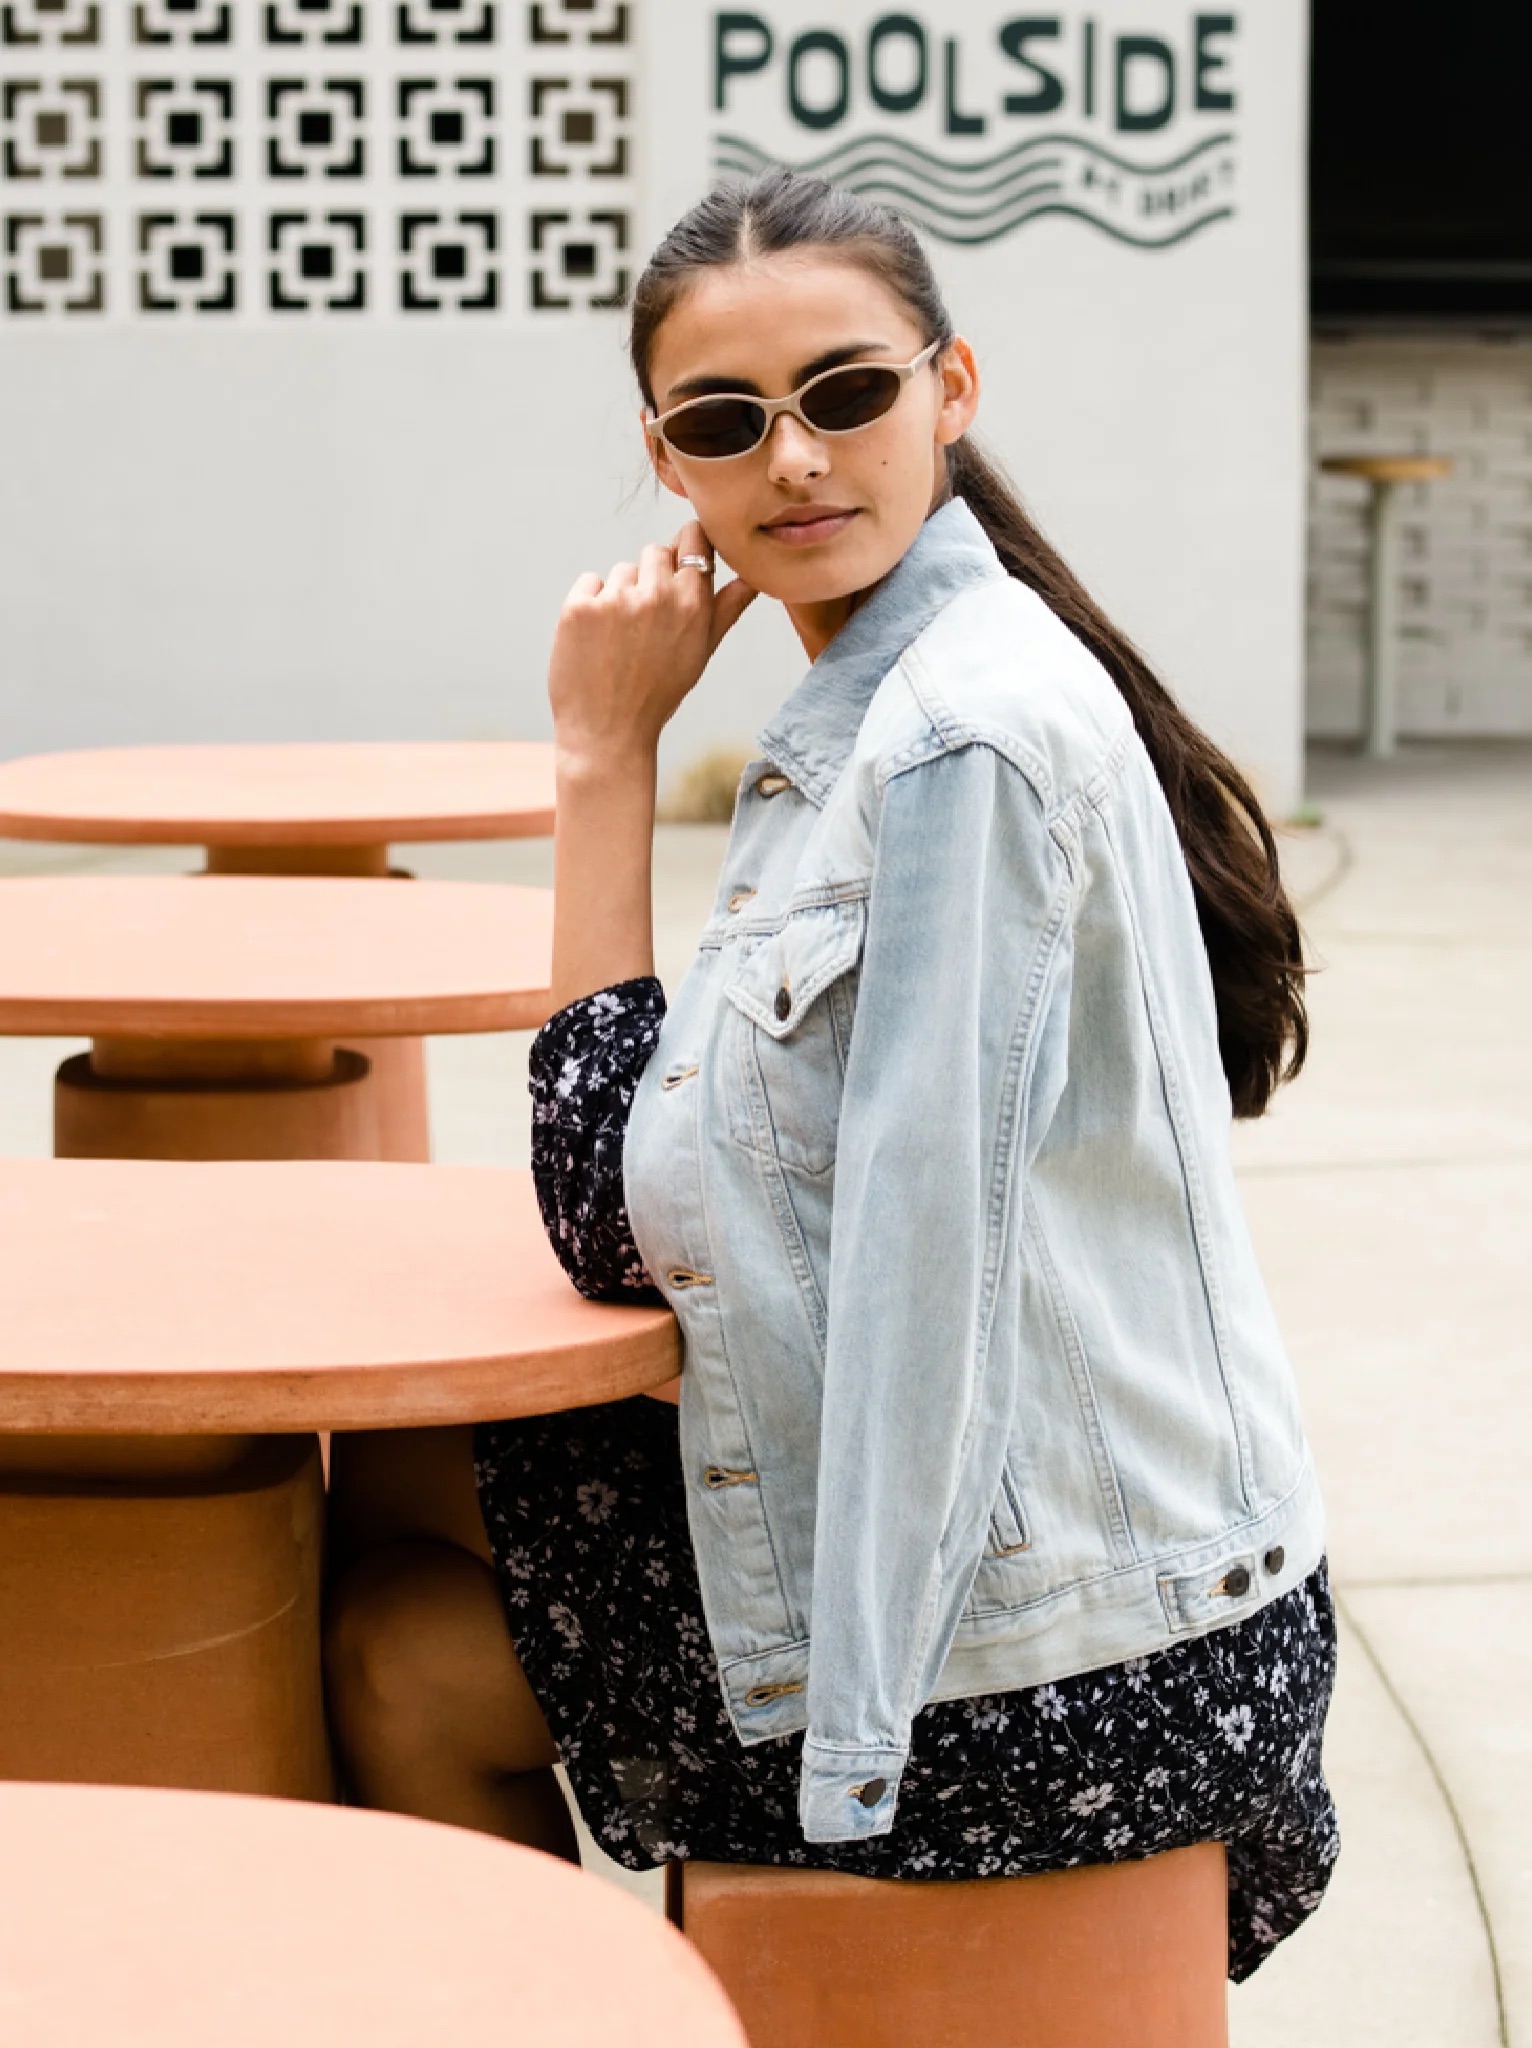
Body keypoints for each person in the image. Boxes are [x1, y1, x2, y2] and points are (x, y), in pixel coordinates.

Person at [323, 167, 1338, 1982]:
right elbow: (607, 1192)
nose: (793, 459)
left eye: (846, 394)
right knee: (405, 1495)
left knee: (395, 1654)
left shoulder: (950, 744)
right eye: (729, 421)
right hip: (1069, 1594)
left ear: (951, 389)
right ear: (670, 462)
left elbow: (911, 1294)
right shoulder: (893, 695)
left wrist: (596, 761)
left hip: (1046, 1670)